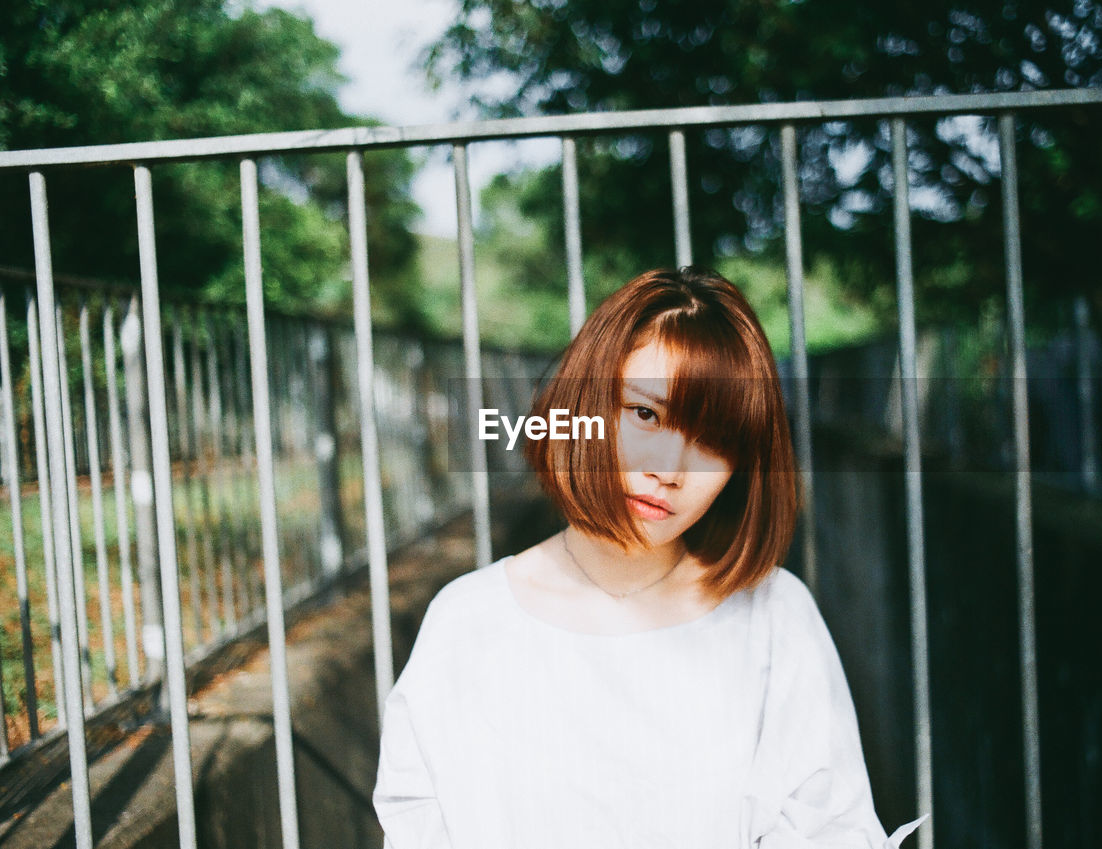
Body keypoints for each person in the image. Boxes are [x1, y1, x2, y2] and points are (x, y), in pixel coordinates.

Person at [373, 267, 923, 848]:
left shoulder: (772, 615)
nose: (671, 469)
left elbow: (828, 829)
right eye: (645, 414)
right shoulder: (469, 621)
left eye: (713, 441)